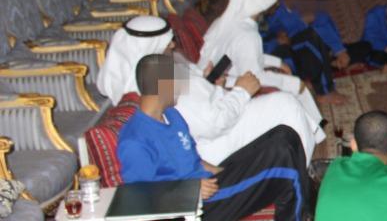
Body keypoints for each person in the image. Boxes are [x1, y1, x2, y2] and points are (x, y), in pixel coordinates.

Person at [117, 53, 313, 221]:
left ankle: (305, 217)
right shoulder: (135, 140)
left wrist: (231, 171)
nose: (181, 88)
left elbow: (193, 158)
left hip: (210, 184)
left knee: (284, 136)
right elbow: (139, 196)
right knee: (283, 164)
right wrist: (189, 190)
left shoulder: (171, 114)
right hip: (196, 205)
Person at [98, 15, 324, 164]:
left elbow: (198, 105)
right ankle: (301, 178)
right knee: (286, 105)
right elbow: (213, 124)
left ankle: (297, 171)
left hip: (217, 122)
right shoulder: (161, 80)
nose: (173, 45)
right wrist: (242, 92)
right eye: (167, 42)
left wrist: (209, 84)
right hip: (212, 146)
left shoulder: (145, 72)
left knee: (282, 104)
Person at [199, 0, 326, 126]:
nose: (265, 12)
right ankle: (314, 127)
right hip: (226, 86)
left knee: (293, 80)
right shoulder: (247, 35)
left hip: (215, 79)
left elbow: (245, 55)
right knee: (298, 87)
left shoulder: (224, 22)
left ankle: (313, 126)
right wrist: (289, 82)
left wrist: (278, 63)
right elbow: (254, 76)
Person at [262, 0, 349, 100]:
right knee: (308, 39)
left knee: (359, 48)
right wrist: (277, 40)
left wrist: (340, 51)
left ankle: (319, 72)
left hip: (303, 54)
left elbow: (323, 23)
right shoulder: (269, 14)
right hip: (281, 57)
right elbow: (260, 42)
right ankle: (324, 91)